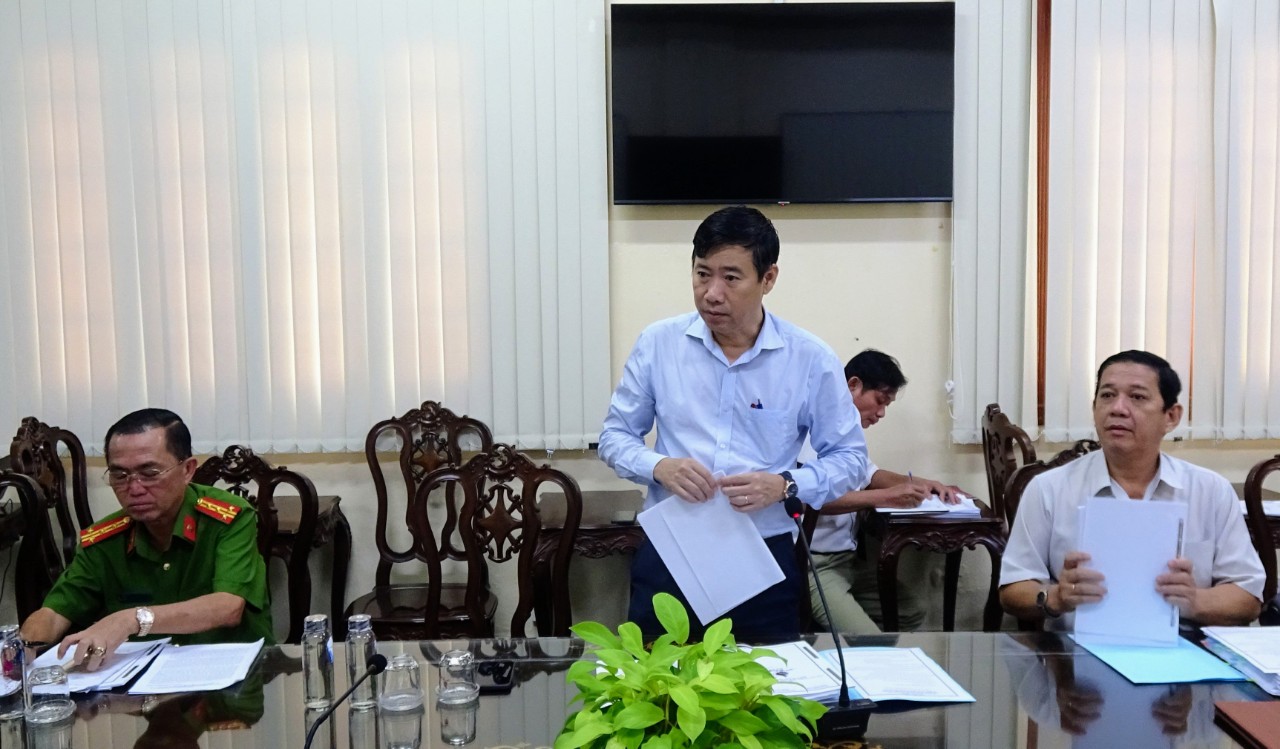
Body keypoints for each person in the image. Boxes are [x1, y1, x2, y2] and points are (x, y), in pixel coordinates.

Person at [598, 205, 868, 642]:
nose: (712, 293)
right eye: (702, 274)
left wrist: (785, 485)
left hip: (763, 558)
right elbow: (614, 436)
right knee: (656, 680)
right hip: (671, 554)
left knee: (765, 680)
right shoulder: (659, 344)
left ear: (768, 279)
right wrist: (658, 466)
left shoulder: (809, 358)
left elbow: (850, 458)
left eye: (731, 277)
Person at [1000, 350, 1264, 628]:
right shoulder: (1048, 489)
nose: (1118, 408)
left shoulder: (1210, 491)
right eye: (1107, 395)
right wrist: (1055, 597)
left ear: (1171, 416)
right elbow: (1012, 589)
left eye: (1137, 397)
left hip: (1186, 646)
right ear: (1094, 409)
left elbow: (1248, 596)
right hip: (1074, 649)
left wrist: (1195, 601)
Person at [20, 409, 273, 670]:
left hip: (230, 672)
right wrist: (21, 648)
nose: (135, 488)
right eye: (120, 475)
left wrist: (131, 620)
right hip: (139, 683)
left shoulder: (229, 518)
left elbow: (228, 607)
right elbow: (54, 614)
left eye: (150, 472)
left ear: (187, 470)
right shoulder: (104, 540)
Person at [807, 349, 966, 634]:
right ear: (853, 385)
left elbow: (871, 475)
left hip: (847, 563)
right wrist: (885, 498)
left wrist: (924, 484)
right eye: (879, 401)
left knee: (911, 611)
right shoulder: (811, 432)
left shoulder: (848, 435)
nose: (881, 413)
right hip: (816, 565)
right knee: (869, 642)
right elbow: (813, 500)